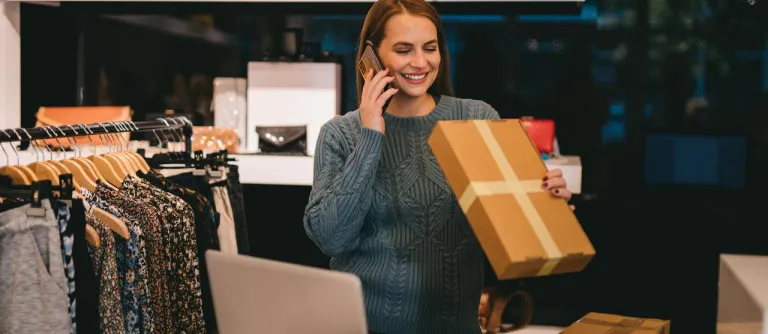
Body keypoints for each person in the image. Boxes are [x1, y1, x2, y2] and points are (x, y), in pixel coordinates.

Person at [303, 1, 573, 333]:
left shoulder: (476, 119)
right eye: (404, 50)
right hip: (362, 326)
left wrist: (548, 205)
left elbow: (518, 236)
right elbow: (330, 238)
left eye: (429, 48)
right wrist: (371, 134)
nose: (420, 62)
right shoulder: (340, 134)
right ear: (371, 55)